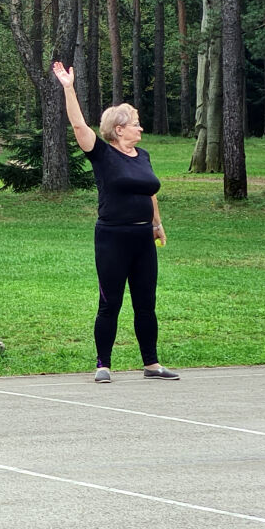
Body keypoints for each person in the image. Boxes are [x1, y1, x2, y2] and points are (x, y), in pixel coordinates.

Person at [52, 62, 178, 383]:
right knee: (110, 303)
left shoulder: (144, 156)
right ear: (119, 129)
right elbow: (79, 126)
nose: (141, 128)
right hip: (112, 238)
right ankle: (103, 364)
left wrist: (157, 224)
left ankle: (151, 363)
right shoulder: (103, 155)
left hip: (142, 239)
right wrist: (69, 87)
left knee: (146, 304)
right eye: (136, 124)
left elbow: (150, 191)